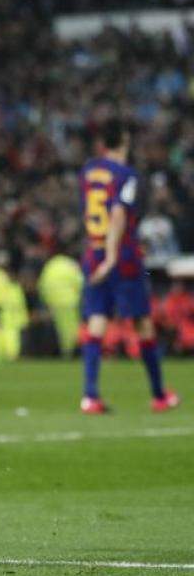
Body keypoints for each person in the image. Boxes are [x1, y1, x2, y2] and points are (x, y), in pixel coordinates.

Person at [78, 122, 179, 414]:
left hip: (93, 250)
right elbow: (119, 213)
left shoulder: (88, 171)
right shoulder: (126, 175)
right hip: (121, 256)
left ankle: (89, 395)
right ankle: (159, 395)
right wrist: (112, 257)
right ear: (124, 141)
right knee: (142, 322)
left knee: (97, 319)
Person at [38, 253, 84, 357]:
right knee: (71, 327)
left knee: (61, 328)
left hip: (54, 302)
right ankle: (71, 351)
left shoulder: (50, 266)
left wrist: (46, 301)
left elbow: (42, 285)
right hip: (71, 302)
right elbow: (80, 282)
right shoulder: (71, 266)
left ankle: (65, 351)